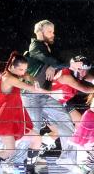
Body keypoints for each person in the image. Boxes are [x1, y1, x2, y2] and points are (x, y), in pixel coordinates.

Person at [0, 53, 61, 174]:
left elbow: (30, 79)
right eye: (21, 69)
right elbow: (31, 88)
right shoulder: (9, 78)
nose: (23, 72)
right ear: (12, 67)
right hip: (3, 121)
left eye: (25, 69)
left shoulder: (14, 74)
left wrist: (32, 79)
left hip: (12, 118)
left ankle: (30, 170)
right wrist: (52, 93)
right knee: (9, 150)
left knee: (36, 138)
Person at [23, 20, 78, 166]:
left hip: (44, 94)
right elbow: (48, 59)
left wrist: (52, 66)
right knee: (33, 129)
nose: (53, 34)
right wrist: (66, 65)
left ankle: (68, 157)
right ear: (40, 32)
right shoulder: (35, 46)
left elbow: (52, 61)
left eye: (53, 31)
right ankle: (22, 162)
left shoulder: (47, 47)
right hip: (31, 95)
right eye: (50, 32)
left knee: (65, 120)